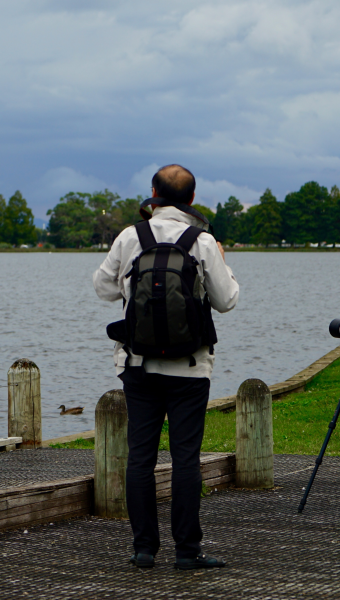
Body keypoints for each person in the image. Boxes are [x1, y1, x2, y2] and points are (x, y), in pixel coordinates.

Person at [92, 164, 239, 569]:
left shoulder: (129, 237)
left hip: (137, 364)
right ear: (192, 199)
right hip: (190, 368)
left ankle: (143, 550)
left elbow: (103, 288)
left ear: (153, 192)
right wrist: (221, 261)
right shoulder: (202, 240)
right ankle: (187, 552)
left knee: (140, 456)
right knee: (185, 458)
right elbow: (226, 301)